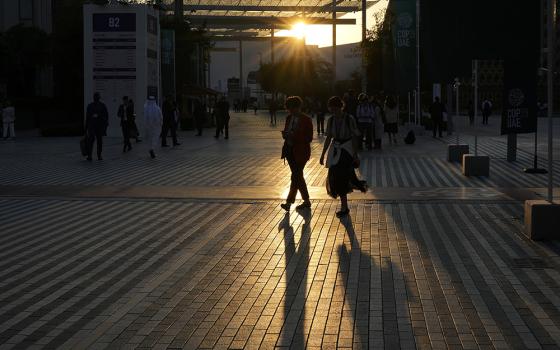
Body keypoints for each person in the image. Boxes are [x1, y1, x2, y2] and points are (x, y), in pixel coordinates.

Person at [320, 96, 367, 218]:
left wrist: (355, 154)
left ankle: (344, 207)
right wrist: (322, 154)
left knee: (343, 177)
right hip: (335, 150)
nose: (334, 111)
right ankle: (344, 206)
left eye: (336, 108)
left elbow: (355, 136)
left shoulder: (349, 119)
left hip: (346, 151)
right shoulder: (331, 120)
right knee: (334, 177)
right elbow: (329, 137)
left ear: (341, 107)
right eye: (331, 109)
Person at [280, 96, 313, 211]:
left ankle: (290, 202)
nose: (292, 111)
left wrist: (295, 136)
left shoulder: (306, 120)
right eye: (289, 109)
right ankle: (306, 201)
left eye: (294, 108)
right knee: (297, 176)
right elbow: (287, 132)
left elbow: (309, 138)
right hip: (289, 151)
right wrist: (285, 135)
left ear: (299, 107)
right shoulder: (289, 118)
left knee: (296, 176)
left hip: (301, 152)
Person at [85, 92, 108, 161]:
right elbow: (87, 117)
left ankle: (97, 155)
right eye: (96, 97)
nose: (96, 98)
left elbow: (105, 116)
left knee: (98, 141)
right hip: (93, 126)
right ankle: (92, 155)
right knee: (92, 141)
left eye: (96, 97)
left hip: (98, 125)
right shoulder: (93, 106)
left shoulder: (101, 106)